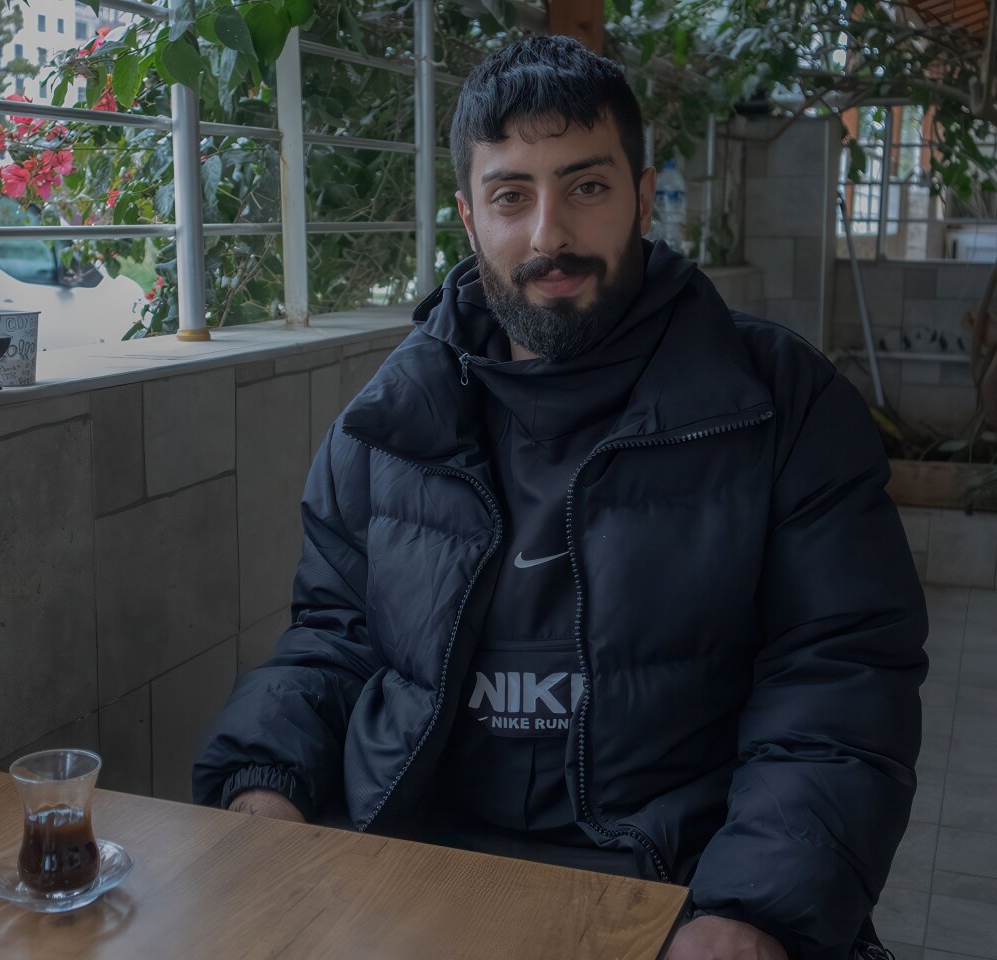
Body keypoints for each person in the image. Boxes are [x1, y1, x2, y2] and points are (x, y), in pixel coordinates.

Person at [194, 35, 927, 960]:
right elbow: (335, 637)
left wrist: (750, 910)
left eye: (586, 187)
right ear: (468, 215)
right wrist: (267, 779)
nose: (549, 235)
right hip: (421, 868)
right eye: (512, 195)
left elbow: (839, 683)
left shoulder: (781, 404)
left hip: (675, 885)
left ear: (644, 195)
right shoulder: (390, 422)